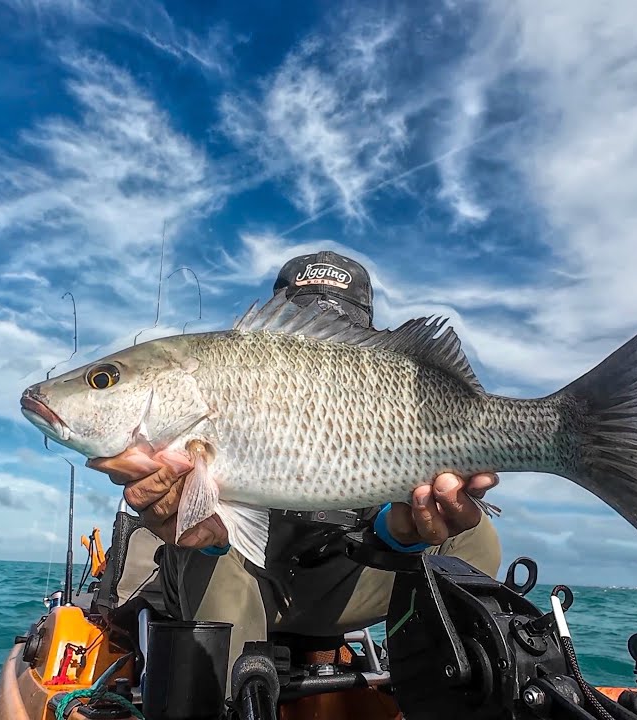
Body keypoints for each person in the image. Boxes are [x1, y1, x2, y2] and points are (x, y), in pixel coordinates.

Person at [86, 250, 503, 683]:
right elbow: (206, 526)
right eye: (104, 380)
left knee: (473, 537)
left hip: (347, 583)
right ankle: (231, 699)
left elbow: (386, 515)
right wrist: (195, 522)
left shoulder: (378, 390)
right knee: (209, 540)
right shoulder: (224, 385)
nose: (324, 344)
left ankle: (441, 694)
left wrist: (400, 534)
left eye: (340, 332)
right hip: (243, 581)